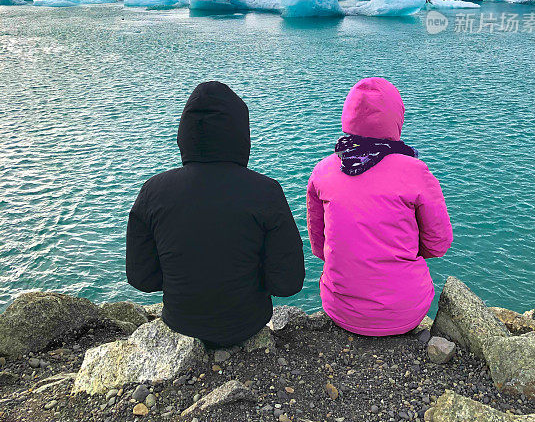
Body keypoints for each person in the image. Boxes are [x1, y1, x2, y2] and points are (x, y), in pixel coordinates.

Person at [126, 80, 305, 347]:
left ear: (184, 134)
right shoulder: (266, 191)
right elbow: (288, 282)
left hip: (180, 320)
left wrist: (185, 280)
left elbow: (141, 278)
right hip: (248, 322)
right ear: (241, 135)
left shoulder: (153, 190)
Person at [306, 77, 452, 336]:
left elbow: (320, 246)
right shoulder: (415, 172)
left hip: (339, 308)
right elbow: (438, 244)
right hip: (405, 311)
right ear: (396, 117)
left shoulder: (323, 170)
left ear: (347, 116)